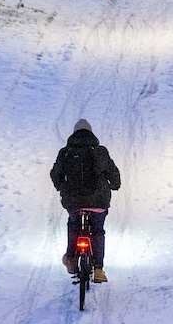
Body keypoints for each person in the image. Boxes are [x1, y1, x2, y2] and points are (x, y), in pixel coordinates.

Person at [50, 119, 121, 283]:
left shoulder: (65, 153)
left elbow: (55, 174)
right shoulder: (100, 152)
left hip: (73, 202)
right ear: (91, 133)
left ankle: (72, 260)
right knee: (97, 230)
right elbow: (113, 173)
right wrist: (114, 185)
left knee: (73, 225)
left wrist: (62, 187)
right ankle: (98, 269)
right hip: (98, 202)